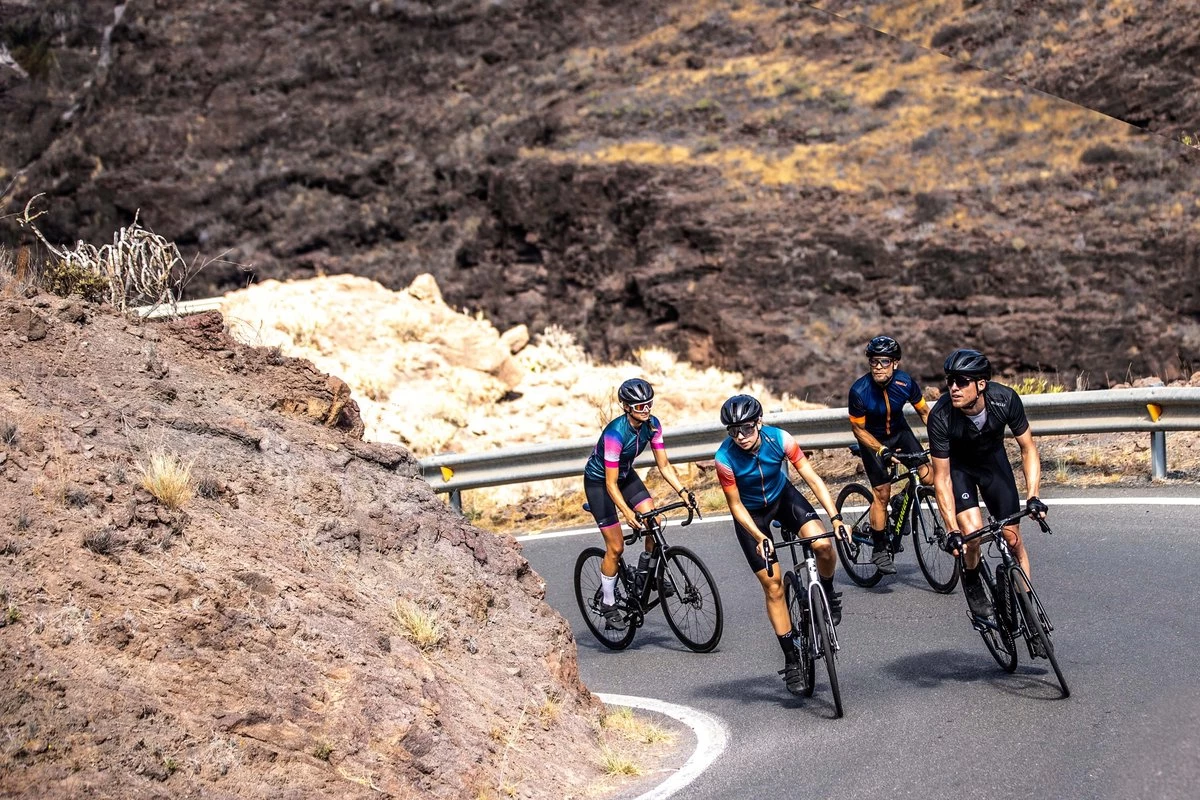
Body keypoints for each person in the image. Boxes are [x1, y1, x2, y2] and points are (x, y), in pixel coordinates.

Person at [714, 394, 849, 695]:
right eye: (733, 430)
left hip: (783, 499)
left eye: (746, 428)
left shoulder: (780, 439)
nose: (740, 436)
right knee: (773, 585)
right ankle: (791, 660)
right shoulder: (724, 458)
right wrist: (760, 536)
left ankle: (827, 592)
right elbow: (735, 506)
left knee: (823, 545)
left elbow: (812, 478)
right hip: (751, 516)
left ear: (759, 423)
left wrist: (836, 517)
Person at [927, 349, 1048, 633]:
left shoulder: (1005, 399)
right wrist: (951, 528)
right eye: (950, 381)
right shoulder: (941, 415)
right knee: (972, 536)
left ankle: (1029, 611)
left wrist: (1033, 496)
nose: (953, 387)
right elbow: (942, 478)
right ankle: (972, 580)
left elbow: (1028, 448)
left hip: (993, 464)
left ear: (981, 384)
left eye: (961, 381)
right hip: (960, 470)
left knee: (1013, 539)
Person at [583, 378, 693, 631]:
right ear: (626, 407)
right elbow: (610, 484)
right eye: (640, 406)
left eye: (649, 404)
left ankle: (644, 576)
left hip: (625, 475)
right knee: (616, 547)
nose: (646, 410)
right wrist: (626, 513)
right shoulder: (615, 434)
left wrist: (683, 491)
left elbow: (664, 465)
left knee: (653, 519)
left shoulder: (652, 425)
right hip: (600, 482)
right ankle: (608, 603)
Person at [847, 335, 932, 574]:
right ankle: (879, 548)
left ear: (895, 363)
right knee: (882, 493)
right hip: (872, 439)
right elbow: (858, 430)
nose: (877, 367)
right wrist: (881, 450)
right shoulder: (859, 391)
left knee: (928, 476)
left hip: (899, 432)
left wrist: (941, 439)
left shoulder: (905, 382)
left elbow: (925, 413)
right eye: (873, 361)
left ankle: (901, 500)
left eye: (884, 361)